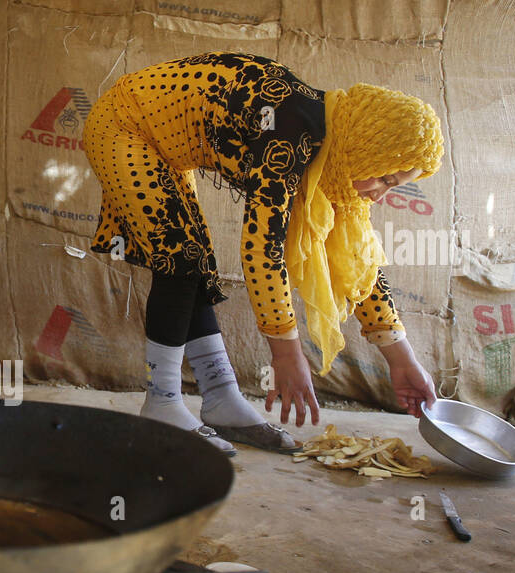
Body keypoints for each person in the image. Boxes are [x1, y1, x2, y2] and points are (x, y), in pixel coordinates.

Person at [82, 52, 442, 454]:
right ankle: (162, 403)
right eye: (385, 177)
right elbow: (261, 249)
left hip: (162, 146)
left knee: (194, 263)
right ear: (368, 146)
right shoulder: (290, 128)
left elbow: (357, 263)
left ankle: (221, 399)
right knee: (181, 260)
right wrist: (286, 354)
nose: (380, 193)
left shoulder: (337, 156)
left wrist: (401, 359)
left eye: (394, 184)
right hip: (123, 125)